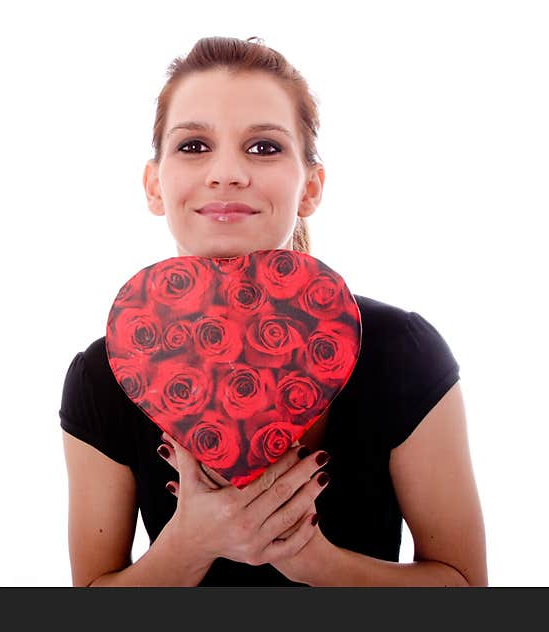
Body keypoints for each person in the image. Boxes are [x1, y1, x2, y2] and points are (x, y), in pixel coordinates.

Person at [59, 36, 487, 586]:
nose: (227, 172)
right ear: (154, 184)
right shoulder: (102, 375)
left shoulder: (402, 352)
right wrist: (190, 544)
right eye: (193, 146)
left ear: (311, 187)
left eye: (263, 147)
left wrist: (312, 560)